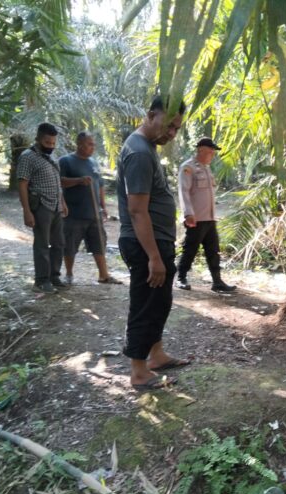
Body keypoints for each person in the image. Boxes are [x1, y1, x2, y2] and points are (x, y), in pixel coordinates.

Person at [117, 96, 190, 391]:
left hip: (156, 242)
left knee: (159, 302)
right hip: (146, 245)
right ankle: (138, 372)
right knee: (145, 305)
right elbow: (137, 210)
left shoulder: (146, 148)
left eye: (176, 128)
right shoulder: (139, 152)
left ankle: (156, 355)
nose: (172, 133)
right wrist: (154, 257)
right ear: (150, 115)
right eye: (169, 125)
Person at [59, 132, 121, 285]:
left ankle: (103, 275)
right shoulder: (65, 161)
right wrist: (78, 181)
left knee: (99, 243)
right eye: (89, 144)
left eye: (94, 144)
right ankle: (69, 274)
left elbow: (100, 185)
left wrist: (103, 207)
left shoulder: (93, 162)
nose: (93, 147)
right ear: (79, 144)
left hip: (94, 213)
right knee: (70, 245)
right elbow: (59, 181)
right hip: (73, 213)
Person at [175, 137, 236, 292]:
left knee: (213, 250)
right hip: (196, 218)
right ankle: (181, 278)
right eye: (210, 152)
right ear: (201, 150)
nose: (212, 155)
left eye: (213, 152)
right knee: (190, 249)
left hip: (209, 218)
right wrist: (188, 213)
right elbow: (183, 192)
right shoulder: (188, 167)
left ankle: (217, 281)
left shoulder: (206, 169)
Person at [17, 122, 68, 294]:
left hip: (56, 206)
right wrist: (27, 211)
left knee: (59, 243)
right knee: (42, 245)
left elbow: (57, 183)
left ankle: (54, 276)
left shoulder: (51, 157)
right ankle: (41, 281)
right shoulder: (27, 157)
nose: (51, 146)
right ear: (38, 139)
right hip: (41, 206)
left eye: (53, 143)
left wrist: (63, 202)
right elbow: (22, 184)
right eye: (47, 142)